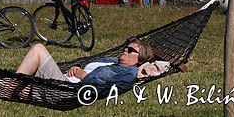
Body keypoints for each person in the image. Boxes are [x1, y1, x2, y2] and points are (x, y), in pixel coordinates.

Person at [16, 39, 153, 96]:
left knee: (39, 49)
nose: (125, 51)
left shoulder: (129, 72)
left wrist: (83, 75)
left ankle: (11, 83)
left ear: (140, 59)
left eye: (130, 50)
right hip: (63, 79)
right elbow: (90, 64)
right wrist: (77, 66)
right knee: (23, 87)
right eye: (126, 48)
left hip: (66, 89)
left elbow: (105, 86)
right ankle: (13, 85)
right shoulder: (114, 61)